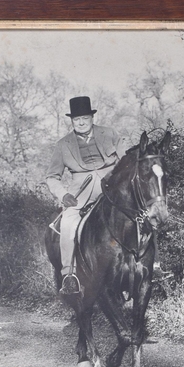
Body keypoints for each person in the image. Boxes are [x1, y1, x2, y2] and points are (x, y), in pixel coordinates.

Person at [46, 96, 127, 293]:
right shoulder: (63, 144)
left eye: (84, 118)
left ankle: (154, 265)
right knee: (68, 221)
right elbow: (51, 176)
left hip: (113, 185)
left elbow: (127, 160)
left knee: (140, 213)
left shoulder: (110, 134)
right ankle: (69, 275)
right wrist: (63, 194)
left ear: (92, 118)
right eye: (76, 119)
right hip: (80, 191)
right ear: (72, 121)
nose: (81, 122)